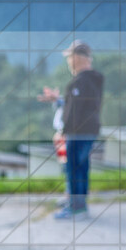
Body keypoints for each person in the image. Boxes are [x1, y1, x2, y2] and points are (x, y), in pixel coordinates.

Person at [38, 40, 104, 219]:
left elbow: (75, 111)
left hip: (78, 132)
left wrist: (63, 130)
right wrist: (58, 100)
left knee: (75, 169)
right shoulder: (91, 80)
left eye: (69, 57)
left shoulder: (82, 82)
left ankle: (76, 208)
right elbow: (76, 105)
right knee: (80, 168)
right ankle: (77, 204)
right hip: (87, 131)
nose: (68, 62)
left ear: (77, 58)